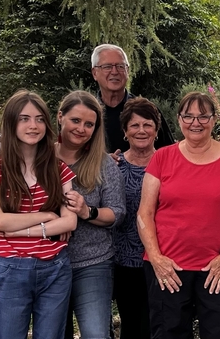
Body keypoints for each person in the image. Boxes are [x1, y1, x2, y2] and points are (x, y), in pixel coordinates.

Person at [138, 91, 220, 339]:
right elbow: (144, 213)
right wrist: (156, 259)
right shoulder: (162, 157)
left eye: (203, 116)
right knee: (169, 334)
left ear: (214, 120)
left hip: (217, 267)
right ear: (179, 120)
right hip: (168, 268)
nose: (195, 123)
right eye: (188, 116)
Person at [0, 90, 79, 339]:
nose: (33, 125)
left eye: (39, 119)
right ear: (11, 123)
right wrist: (47, 216)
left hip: (55, 267)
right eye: (24, 119)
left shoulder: (58, 169)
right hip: (11, 269)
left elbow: (71, 221)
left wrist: (19, 230)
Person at [55, 91, 126, 339]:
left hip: (92, 263)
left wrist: (87, 211)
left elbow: (117, 213)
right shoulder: (39, 159)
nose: (81, 129)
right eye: (76, 120)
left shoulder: (103, 164)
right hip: (47, 262)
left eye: (89, 124)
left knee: (96, 334)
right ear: (60, 117)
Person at [114, 97, 163, 338]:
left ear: (157, 128)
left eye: (147, 124)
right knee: (132, 324)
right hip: (125, 259)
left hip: (163, 258)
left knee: (158, 323)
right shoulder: (113, 166)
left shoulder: (171, 162)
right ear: (125, 131)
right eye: (134, 125)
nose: (141, 130)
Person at [91, 44, 175, 153]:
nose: (115, 72)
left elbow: (169, 153)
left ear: (128, 71)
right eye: (107, 67)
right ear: (94, 73)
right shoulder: (88, 112)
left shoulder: (145, 110)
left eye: (120, 66)